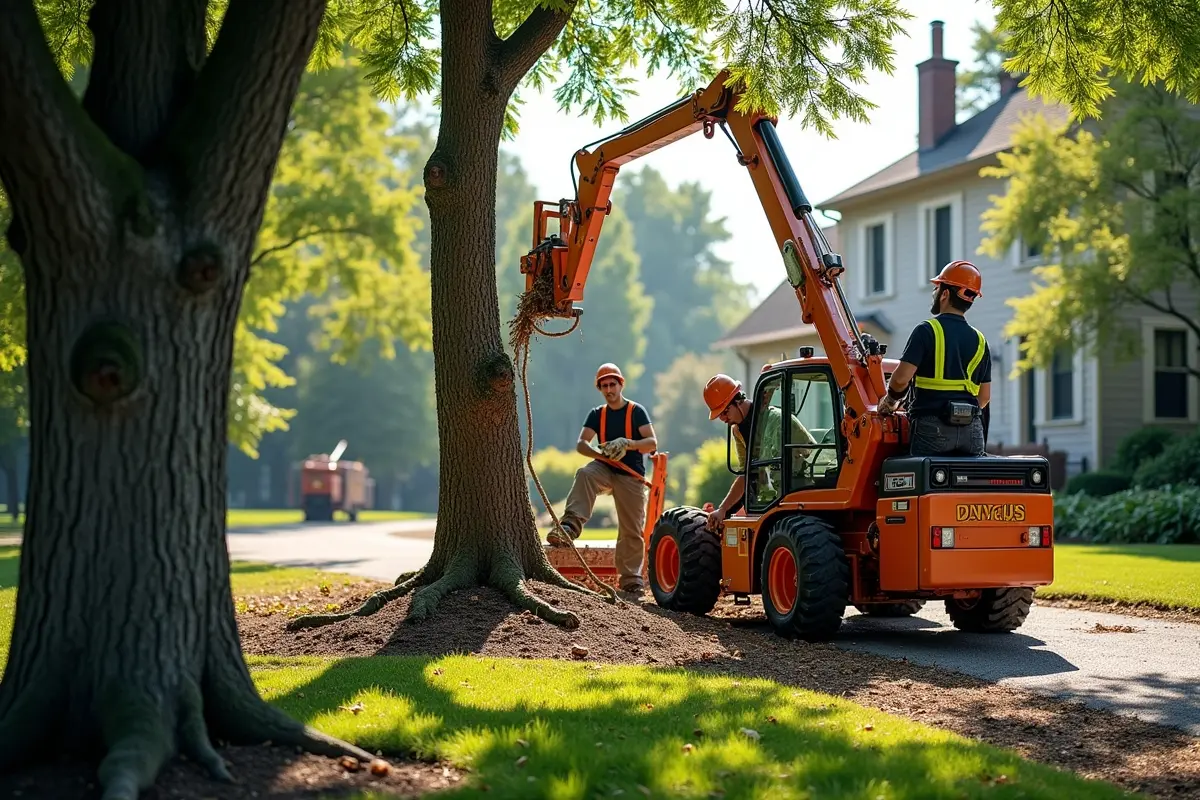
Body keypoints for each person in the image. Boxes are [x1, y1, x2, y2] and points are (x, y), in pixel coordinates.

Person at [547, 362, 657, 599]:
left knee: (631, 530)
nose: (609, 390)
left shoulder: (636, 411)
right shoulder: (597, 414)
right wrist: (601, 454)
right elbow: (581, 444)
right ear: (599, 388)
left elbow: (651, 443)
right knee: (585, 473)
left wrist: (627, 443)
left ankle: (631, 580)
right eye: (604, 386)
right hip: (605, 468)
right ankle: (569, 527)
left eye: (612, 384)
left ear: (621, 384)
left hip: (631, 475)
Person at [877, 260, 992, 456]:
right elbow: (984, 397)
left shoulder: (926, 331)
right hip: (972, 432)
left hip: (932, 430)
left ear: (945, 294)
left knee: (923, 476)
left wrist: (889, 402)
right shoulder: (980, 341)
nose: (934, 293)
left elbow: (900, 380)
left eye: (936, 288)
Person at [700, 373, 816, 532]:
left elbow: (806, 458)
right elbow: (745, 474)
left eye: (725, 412)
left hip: (798, 491)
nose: (723, 419)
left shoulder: (777, 420)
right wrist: (723, 510)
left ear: (738, 401)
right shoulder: (737, 431)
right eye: (720, 415)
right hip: (770, 499)